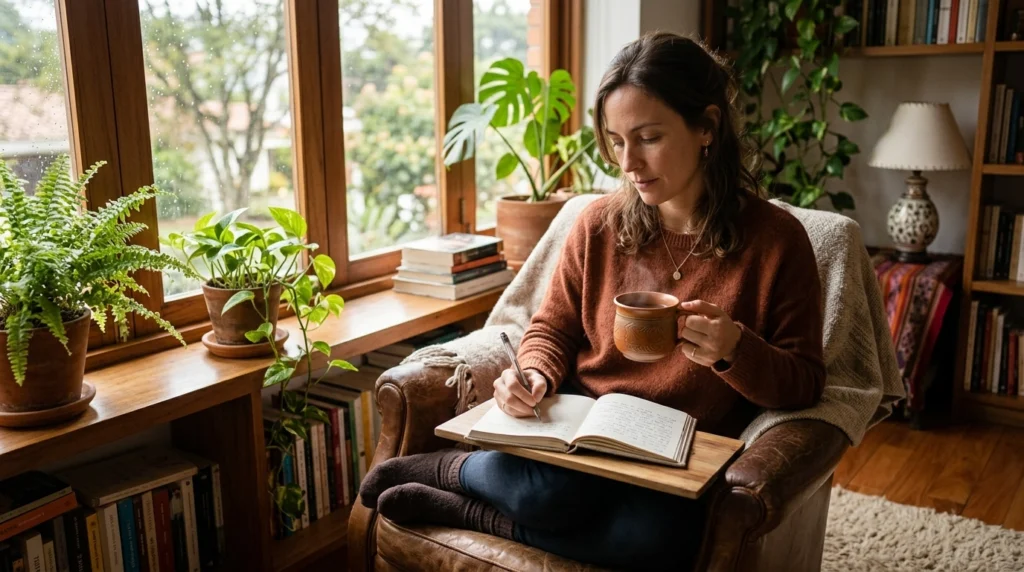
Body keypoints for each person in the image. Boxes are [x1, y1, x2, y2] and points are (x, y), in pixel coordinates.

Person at [358, 31, 826, 570]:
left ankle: (465, 506)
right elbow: (551, 328)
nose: (629, 162)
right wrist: (533, 373)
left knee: (653, 542)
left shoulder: (776, 240)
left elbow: (806, 382)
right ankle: (445, 470)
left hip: (678, 456)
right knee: (545, 496)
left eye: (649, 137)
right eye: (615, 140)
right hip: (584, 427)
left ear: (707, 128)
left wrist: (733, 349)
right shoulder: (598, 224)